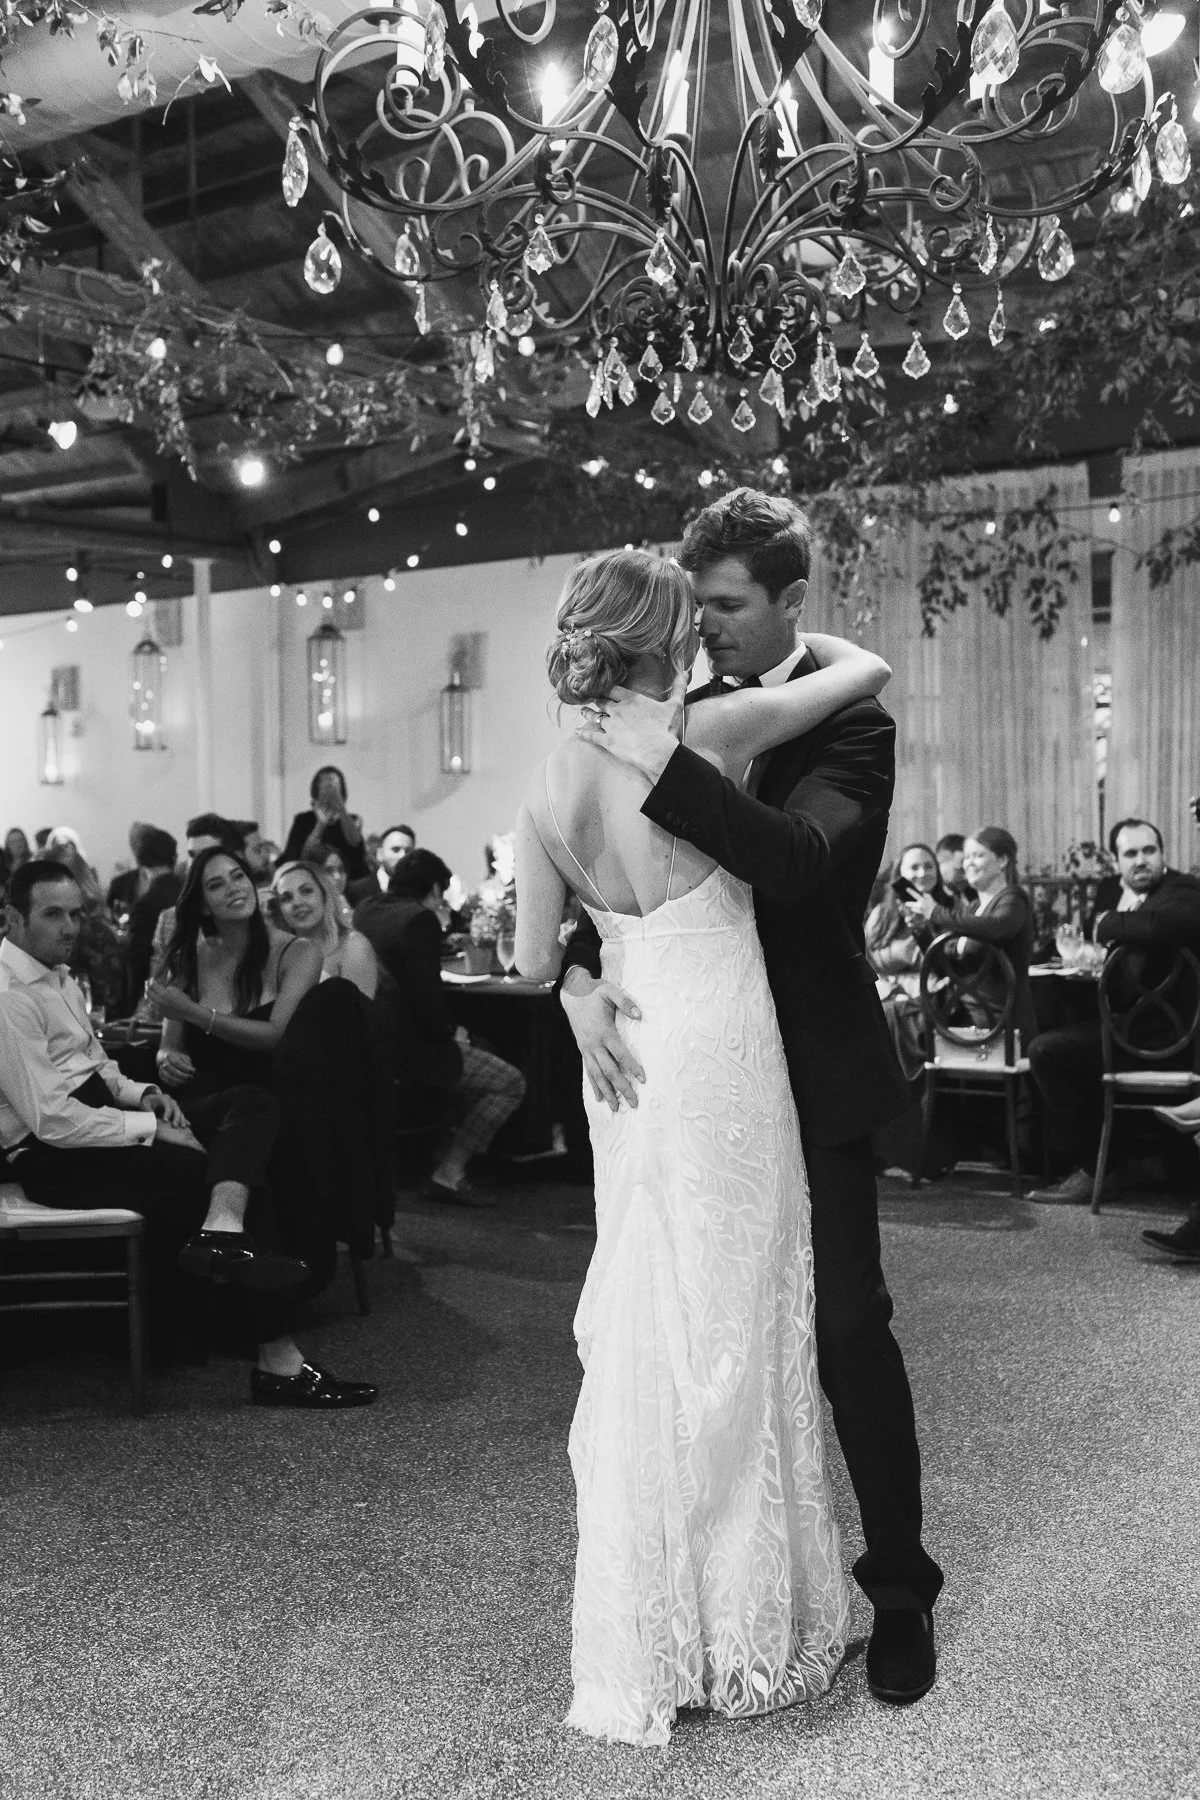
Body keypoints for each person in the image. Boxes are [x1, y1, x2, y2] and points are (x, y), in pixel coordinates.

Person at [553, 495, 942, 1722]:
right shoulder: (665, 716)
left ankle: (901, 1592)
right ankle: (725, 1600)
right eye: (697, 603)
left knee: (842, 1331)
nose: (706, 628)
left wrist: (670, 758)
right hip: (702, 1076)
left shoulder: (851, 726)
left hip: (811, 1073)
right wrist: (573, 979)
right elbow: (596, 883)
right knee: (700, 1342)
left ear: (786, 604)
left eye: (727, 606)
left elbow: (801, 865)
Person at [0, 860, 377, 1406]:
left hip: (97, 1120)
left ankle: (222, 1228)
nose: (70, 927)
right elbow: (52, 1120)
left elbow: (96, 1065)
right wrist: (151, 1127)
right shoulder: (11, 993)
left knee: (251, 1107)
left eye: (76, 914)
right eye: (53, 914)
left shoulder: (52, 972)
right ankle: (277, 1360)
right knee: (225, 1168)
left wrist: (143, 1094)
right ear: (13, 916)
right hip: (52, 1155)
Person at [1029, 817, 1200, 1204]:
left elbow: (1159, 924)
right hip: (1124, 1020)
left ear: (1162, 854)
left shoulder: (1183, 889)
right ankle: (1114, 1162)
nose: (1141, 861)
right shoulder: (1111, 890)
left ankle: (1097, 1170)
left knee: (1049, 1052)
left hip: (1171, 1034)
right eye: (1131, 853)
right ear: (1117, 861)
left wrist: (1107, 923)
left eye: (1149, 851)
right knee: (1051, 1035)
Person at [354, 847, 525, 1205]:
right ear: (434, 888)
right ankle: (450, 1170)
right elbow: (425, 998)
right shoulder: (420, 919)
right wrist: (453, 1033)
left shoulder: (366, 909)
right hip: (411, 1049)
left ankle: (436, 1152)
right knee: (509, 1083)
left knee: (482, 1046)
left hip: (369, 1044)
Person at [904, 827, 1037, 1051]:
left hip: (1003, 1025)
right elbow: (946, 967)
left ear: (1003, 860)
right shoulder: (973, 907)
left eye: (977, 855)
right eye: (966, 857)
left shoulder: (1012, 899)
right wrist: (921, 932)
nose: (968, 864)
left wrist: (936, 912)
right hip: (966, 1024)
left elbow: (998, 929)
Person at [866, 843, 955, 1081]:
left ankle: (909, 1095)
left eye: (929, 866)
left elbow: (946, 965)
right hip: (883, 992)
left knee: (893, 1014)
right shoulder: (882, 914)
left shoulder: (948, 910)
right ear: (899, 874)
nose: (923, 873)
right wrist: (891, 986)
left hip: (932, 996)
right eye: (914, 867)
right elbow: (866, 962)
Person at [270, 860, 379, 999]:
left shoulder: (353, 946)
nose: (297, 902)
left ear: (324, 895)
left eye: (306, 891)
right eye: (286, 898)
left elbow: (359, 1016)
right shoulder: (280, 954)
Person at [281, 767, 368, 881]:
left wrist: (340, 807)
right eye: (326, 784)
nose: (330, 789)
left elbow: (355, 844)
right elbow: (299, 856)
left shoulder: (352, 819)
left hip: (348, 879)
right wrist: (321, 823)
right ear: (316, 791)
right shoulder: (302, 820)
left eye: (334, 785)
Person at [347, 824, 415, 906]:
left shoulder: (421, 889)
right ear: (380, 854)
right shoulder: (355, 890)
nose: (403, 856)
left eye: (408, 852)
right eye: (396, 850)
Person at [935, 833, 974, 900]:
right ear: (940, 863)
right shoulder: (930, 900)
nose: (966, 877)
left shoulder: (976, 895)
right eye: (961, 870)